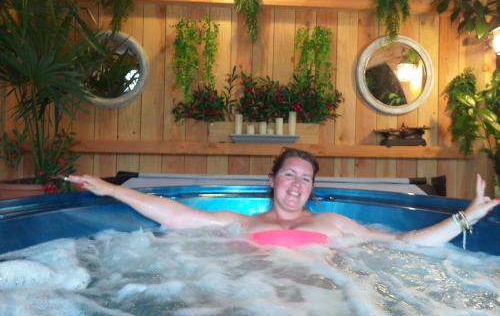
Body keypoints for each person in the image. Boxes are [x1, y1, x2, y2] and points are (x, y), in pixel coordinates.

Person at [67, 148, 500, 248]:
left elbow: (405, 245)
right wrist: (111, 189)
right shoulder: (242, 223)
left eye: (305, 179)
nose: (296, 184)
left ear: (313, 188)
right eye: (289, 175)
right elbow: (178, 215)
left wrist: (467, 218)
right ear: (271, 180)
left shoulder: (334, 225)